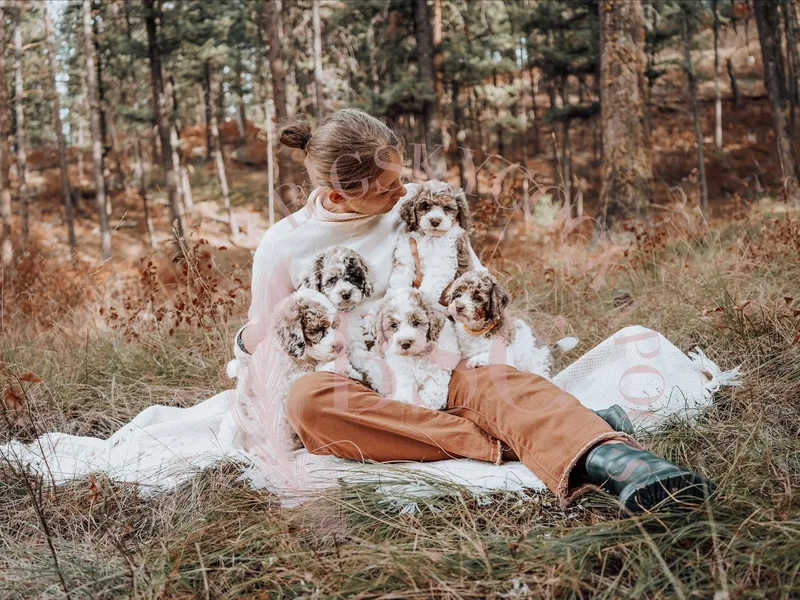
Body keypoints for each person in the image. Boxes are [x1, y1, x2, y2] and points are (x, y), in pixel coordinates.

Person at [234, 108, 715, 513]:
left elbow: (473, 287)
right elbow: (268, 331)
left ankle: (622, 463)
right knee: (309, 406)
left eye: (400, 178)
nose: (401, 193)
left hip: (436, 354)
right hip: (351, 378)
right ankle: (527, 434)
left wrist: (483, 351)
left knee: (497, 382)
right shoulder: (285, 243)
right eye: (384, 189)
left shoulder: (418, 209)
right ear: (339, 195)